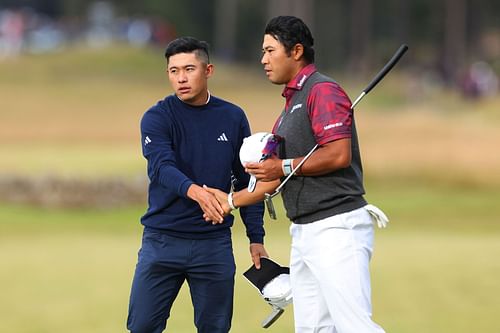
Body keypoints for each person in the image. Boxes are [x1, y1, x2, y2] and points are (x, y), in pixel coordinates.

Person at [205, 16, 386, 333]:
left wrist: (282, 166)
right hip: (304, 231)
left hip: (337, 227)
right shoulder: (290, 107)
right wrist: (231, 201)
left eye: (270, 50)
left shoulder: (323, 92)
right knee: (313, 329)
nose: (263, 59)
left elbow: (338, 155)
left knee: (355, 327)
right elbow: (274, 179)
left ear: (297, 50)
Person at [127, 36, 268, 333]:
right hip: (162, 240)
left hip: (213, 244)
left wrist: (256, 237)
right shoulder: (156, 117)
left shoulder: (232, 116)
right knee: (141, 327)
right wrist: (198, 194)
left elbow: (247, 180)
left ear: (208, 70)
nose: (181, 78)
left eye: (189, 69)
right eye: (173, 71)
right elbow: (161, 166)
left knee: (215, 329)